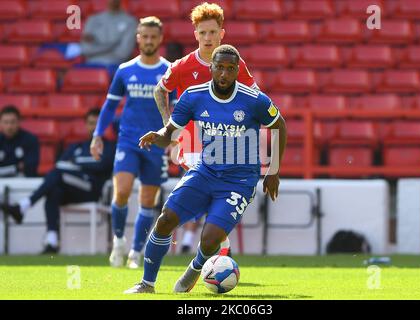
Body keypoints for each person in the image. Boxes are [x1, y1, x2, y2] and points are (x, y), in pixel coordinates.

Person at [124, 45, 287, 294]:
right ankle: (147, 284)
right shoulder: (193, 95)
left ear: (237, 70)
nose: (224, 74)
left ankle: (196, 267)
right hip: (205, 171)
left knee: (210, 239)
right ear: (211, 67)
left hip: (239, 179)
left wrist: (273, 170)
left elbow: (279, 125)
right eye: (219, 67)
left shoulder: (253, 100)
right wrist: (158, 135)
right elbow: (171, 132)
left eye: (230, 69)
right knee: (166, 219)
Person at [154, 2, 258, 254]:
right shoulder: (183, 66)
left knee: (212, 197)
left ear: (222, 33)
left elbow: (255, 98)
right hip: (191, 144)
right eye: (203, 33)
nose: (208, 38)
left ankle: (217, 249)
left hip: (226, 144)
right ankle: (220, 252)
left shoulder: (235, 65)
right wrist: (170, 127)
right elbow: (160, 90)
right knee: (208, 193)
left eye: (213, 32)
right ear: (195, 35)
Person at [90, 16, 176, 269]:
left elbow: (180, 105)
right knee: (122, 192)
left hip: (157, 143)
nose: (148, 40)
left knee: (148, 200)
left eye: (153, 37)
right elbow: (110, 105)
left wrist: (175, 137)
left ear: (160, 39)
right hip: (128, 141)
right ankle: (118, 241)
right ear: (138, 38)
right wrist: (97, 134)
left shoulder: (170, 70)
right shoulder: (125, 70)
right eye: (144, 36)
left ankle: (136, 253)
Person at [1, 109, 115, 254]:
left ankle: (24, 206)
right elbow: (61, 163)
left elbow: (103, 165)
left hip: (93, 190)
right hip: (74, 189)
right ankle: (51, 241)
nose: (94, 127)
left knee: (56, 174)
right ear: (85, 125)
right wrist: (84, 164)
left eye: (98, 124)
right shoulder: (77, 147)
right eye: (91, 123)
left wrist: (76, 163)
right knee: (54, 190)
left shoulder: (111, 147)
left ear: (104, 126)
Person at [80, 0, 138, 67]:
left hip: (115, 64)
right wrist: (111, 46)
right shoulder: (93, 20)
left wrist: (98, 48)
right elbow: (85, 50)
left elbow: (124, 53)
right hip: (90, 63)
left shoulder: (130, 22)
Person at [0, 105, 39, 178]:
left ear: (19, 122)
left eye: (12, 122)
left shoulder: (30, 139)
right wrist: (17, 167)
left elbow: (31, 167)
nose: (9, 126)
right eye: (6, 122)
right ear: (0, 123)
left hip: (23, 182)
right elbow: (21, 166)